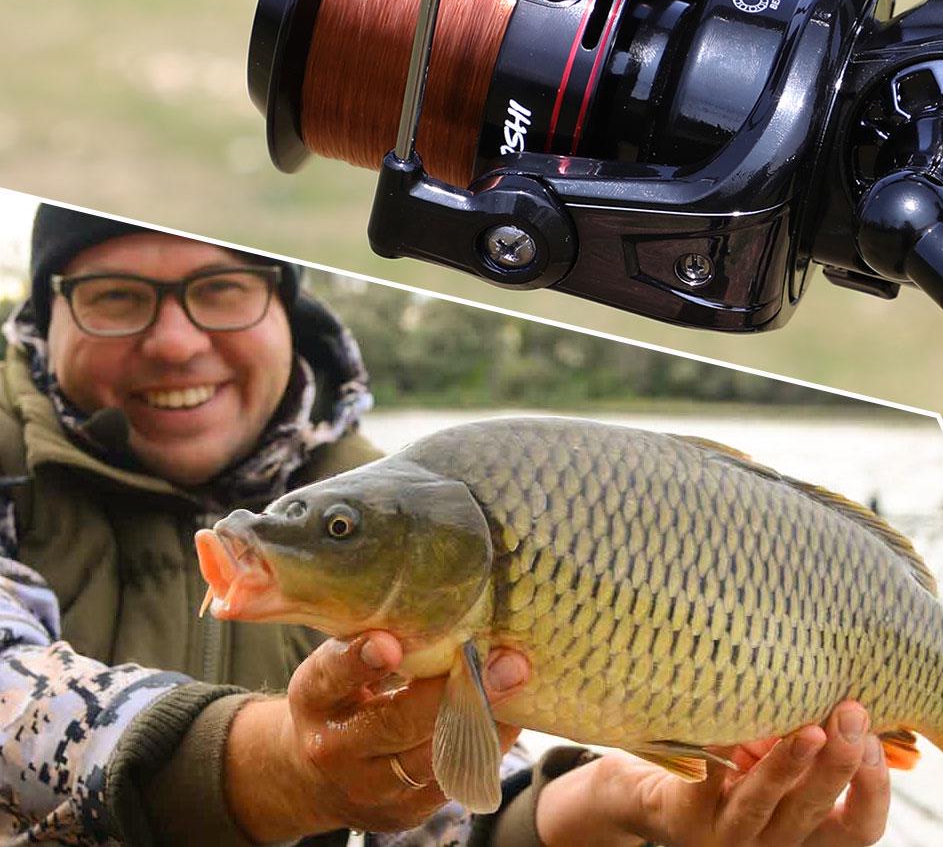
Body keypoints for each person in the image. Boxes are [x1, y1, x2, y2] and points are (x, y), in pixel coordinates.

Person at [0, 204, 891, 846]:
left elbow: (448, 821)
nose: (176, 342)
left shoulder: (378, 490)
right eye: (116, 297)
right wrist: (286, 770)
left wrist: (628, 805)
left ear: (283, 308)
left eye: (223, 289)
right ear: (42, 318)